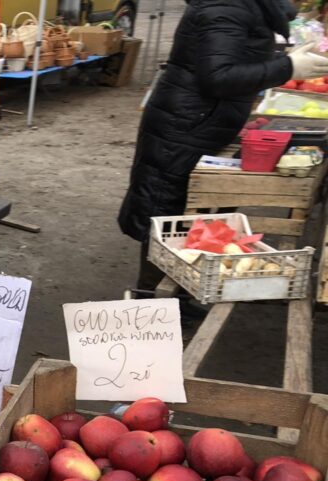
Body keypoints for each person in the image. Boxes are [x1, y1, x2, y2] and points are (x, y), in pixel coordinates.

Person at [118, 0, 328, 291]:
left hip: (200, 122)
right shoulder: (225, 7)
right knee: (166, 211)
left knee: (186, 213)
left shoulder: (244, 7)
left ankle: (178, 293)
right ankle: (150, 302)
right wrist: (287, 67)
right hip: (183, 126)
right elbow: (218, 76)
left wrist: (281, 62)